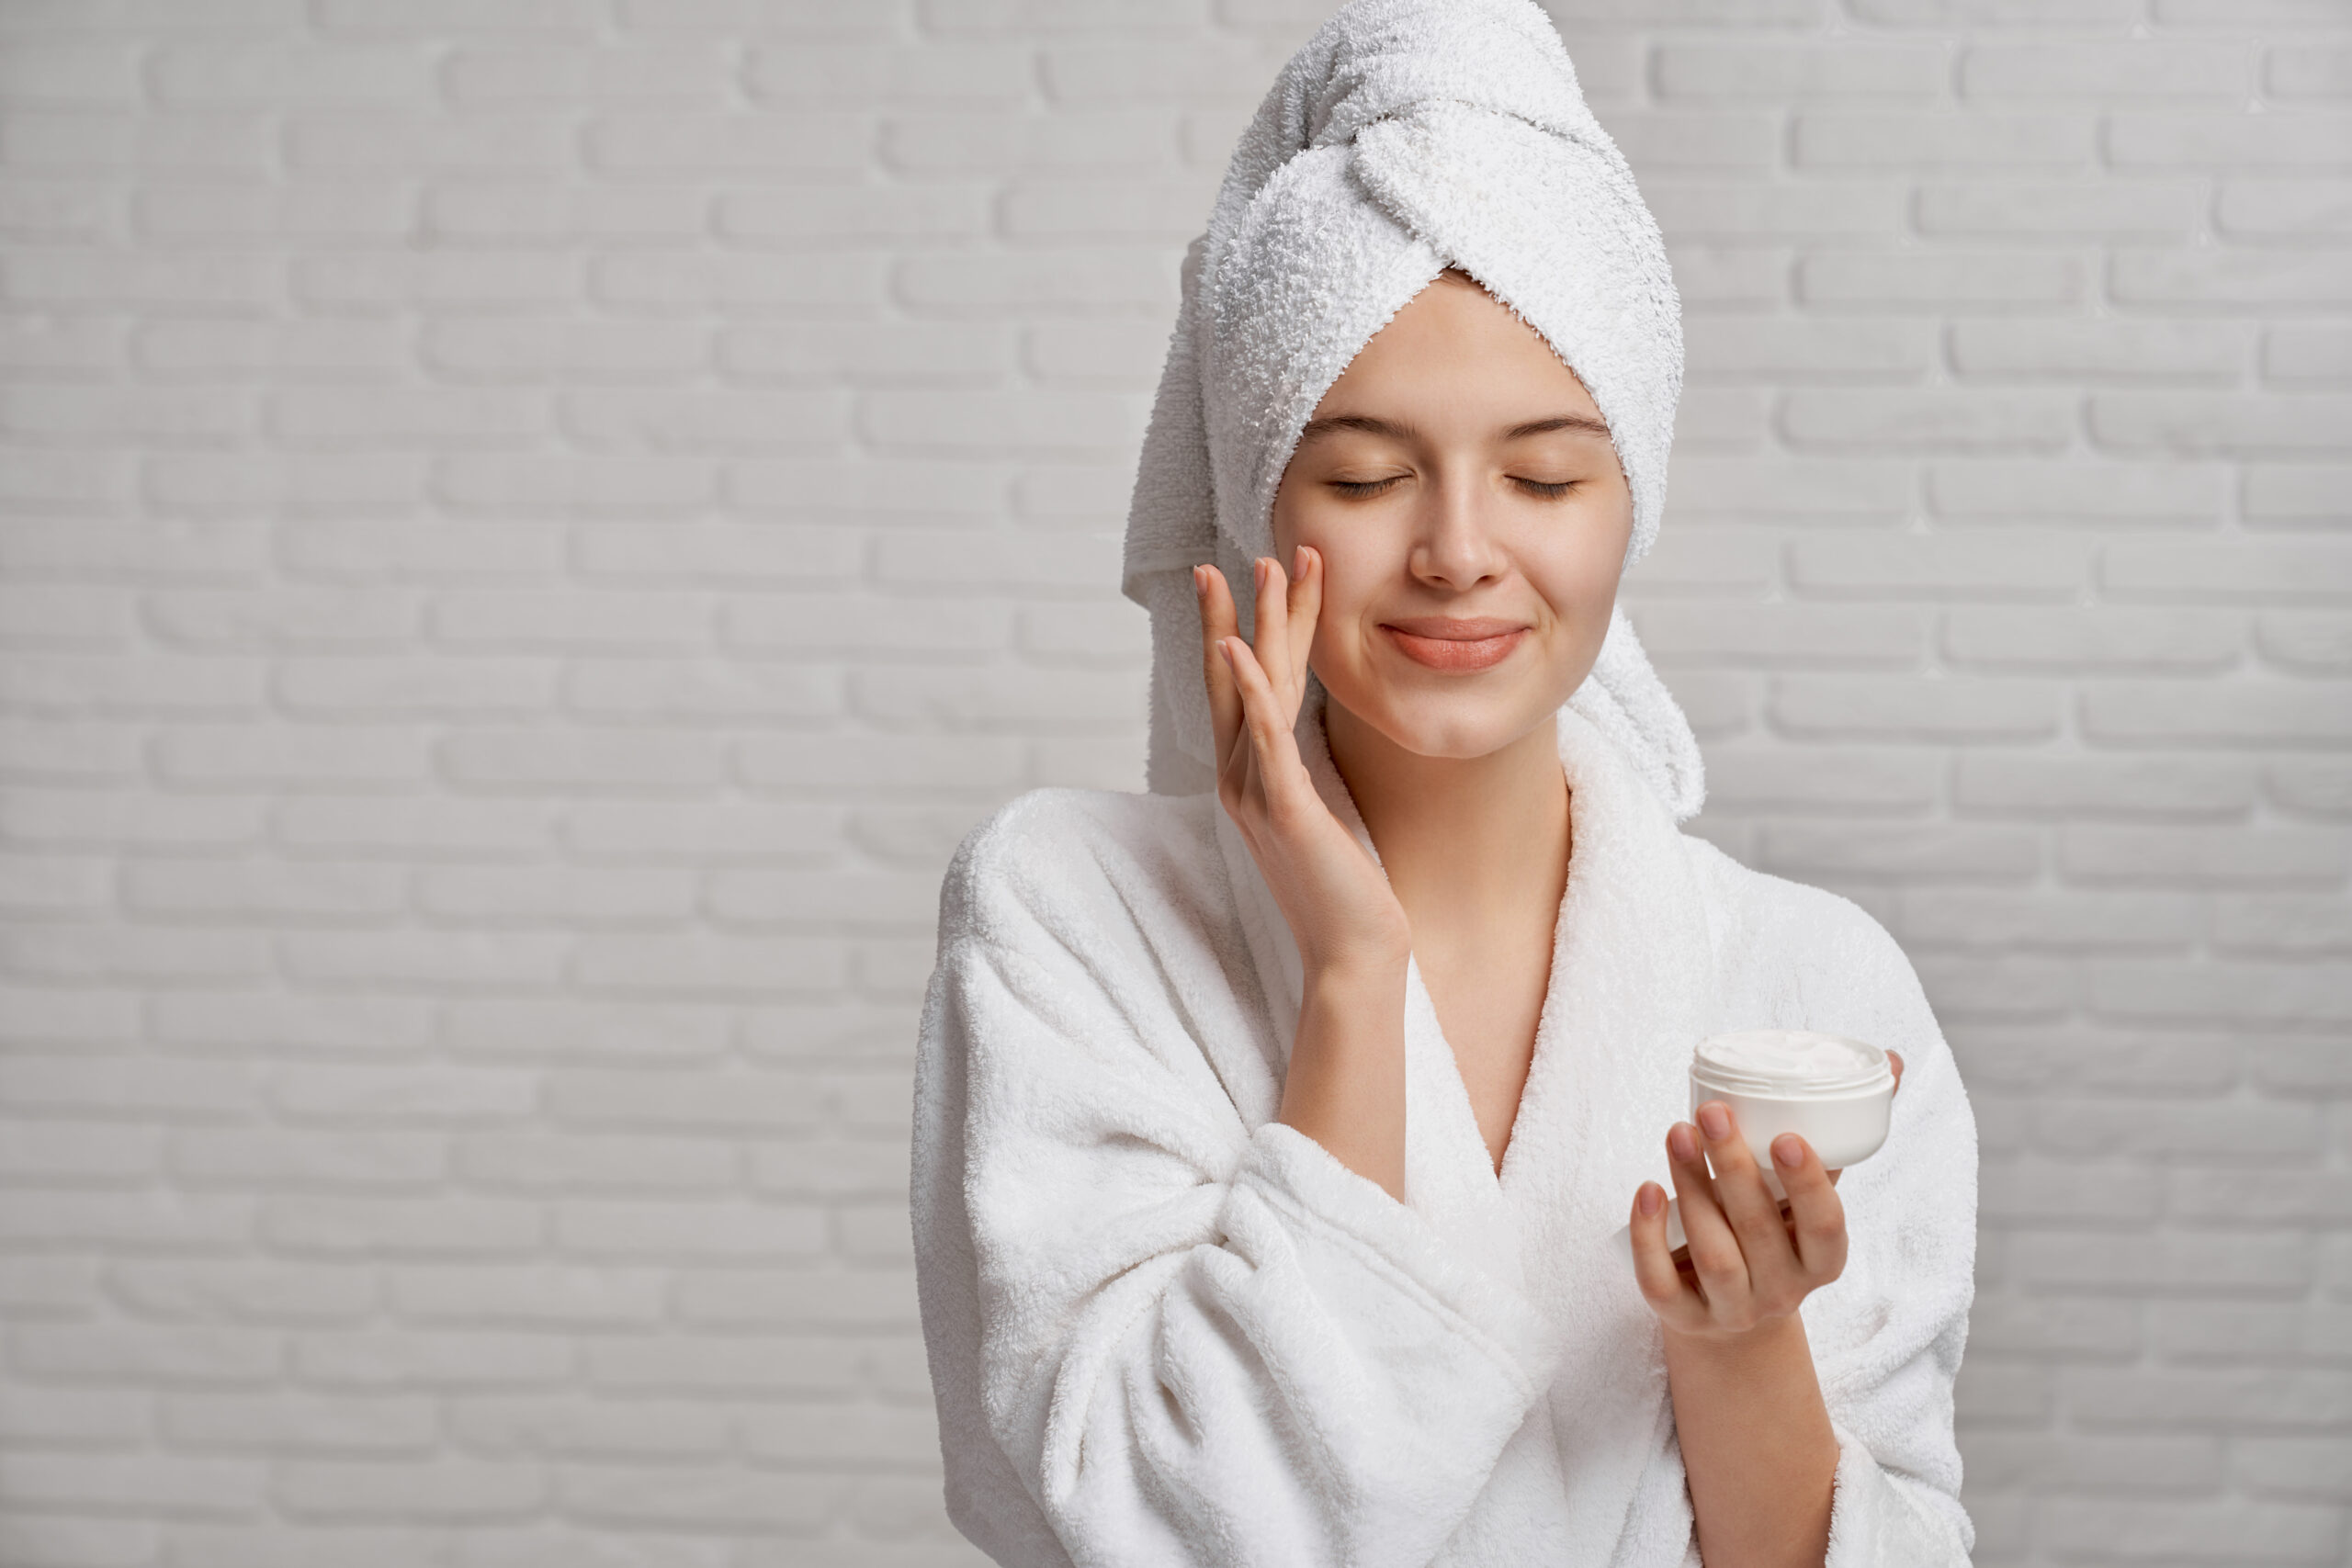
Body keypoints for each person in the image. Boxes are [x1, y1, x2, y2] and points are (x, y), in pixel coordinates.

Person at [910, 3, 1977, 1565]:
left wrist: (1743, 1344)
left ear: (1634, 504)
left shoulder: (1810, 990)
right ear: (1251, 501)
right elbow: (1153, 1536)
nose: (1461, 548)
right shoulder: (1067, 920)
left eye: (1545, 476)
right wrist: (1352, 973)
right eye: (1362, 475)